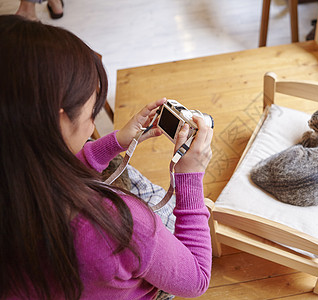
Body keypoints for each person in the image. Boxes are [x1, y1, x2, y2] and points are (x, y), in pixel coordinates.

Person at [0, 15, 213, 300]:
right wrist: (190, 177)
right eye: (91, 113)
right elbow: (197, 279)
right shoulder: (119, 224)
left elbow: (53, 170)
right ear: (58, 121)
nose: (92, 126)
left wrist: (117, 141)